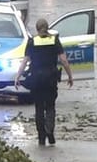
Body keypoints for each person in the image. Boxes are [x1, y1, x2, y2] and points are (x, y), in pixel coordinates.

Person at [15, 18, 74, 146]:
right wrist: (70, 76)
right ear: (47, 28)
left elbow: (25, 61)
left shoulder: (32, 41)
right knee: (50, 106)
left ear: (37, 29)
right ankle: (50, 131)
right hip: (51, 79)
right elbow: (64, 60)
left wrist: (18, 77)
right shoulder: (54, 40)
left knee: (39, 108)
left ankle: (41, 137)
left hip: (37, 79)